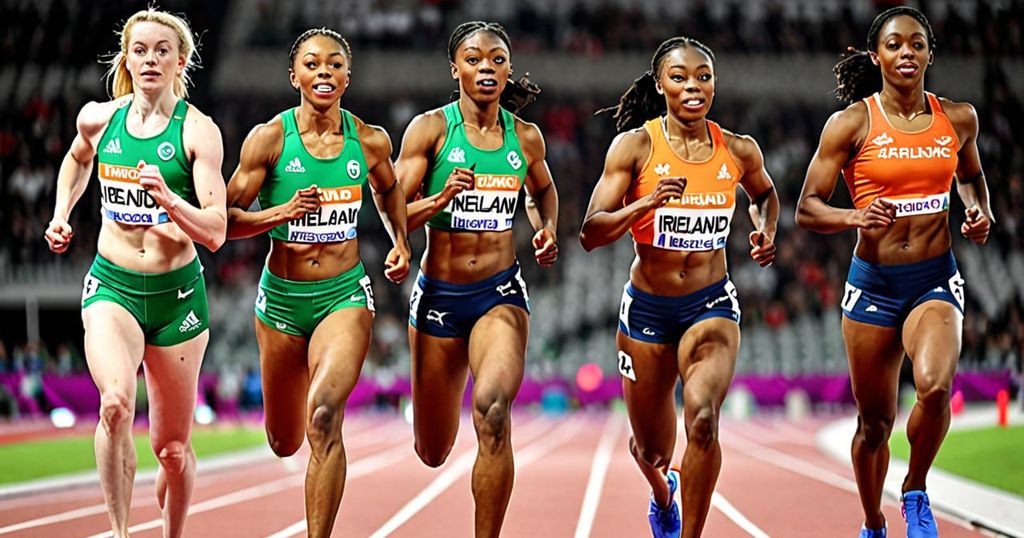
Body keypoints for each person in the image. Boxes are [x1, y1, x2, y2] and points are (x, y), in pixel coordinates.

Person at [795, 7, 993, 538]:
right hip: (873, 285)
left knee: (934, 386)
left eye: (917, 45)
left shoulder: (959, 118)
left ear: (930, 54)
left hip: (933, 277)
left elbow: (972, 177)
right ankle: (872, 521)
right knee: (874, 424)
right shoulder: (851, 123)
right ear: (877, 55)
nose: (907, 53)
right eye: (895, 45)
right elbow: (807, 207)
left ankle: (915, 490)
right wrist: (853, 215)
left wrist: (978, 210)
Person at [580, 37, 779, 538]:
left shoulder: (738, 149)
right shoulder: (635, 146)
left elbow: (766, 195)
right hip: (647, 309)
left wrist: (765, 228)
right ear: (660, 84)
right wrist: (642, 208)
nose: (693, 86)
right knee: (650, 450)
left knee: (705, 421)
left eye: (704, 77)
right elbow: (590, 231)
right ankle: (663, 492)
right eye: (680, 77)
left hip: (710, 303)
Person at [43, 8, 225, 538]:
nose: (150, 59)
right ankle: (120, 533)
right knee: (116, 405)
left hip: (178, 296)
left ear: (180, 60)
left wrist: (169, 199)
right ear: (127, 57)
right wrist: (61, 212)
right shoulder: (99, 119)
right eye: (140, 50)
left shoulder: (199, 133)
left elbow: (215, 230)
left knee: (171, 449)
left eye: (162, 50)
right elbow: (76, 161)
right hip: (113, 287)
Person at [225, 28, 410, 537]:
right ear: (294, 76)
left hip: (344, 295)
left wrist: (400, 240)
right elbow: (224, 219)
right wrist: (282, 212)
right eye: (312, 64)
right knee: (284, 441)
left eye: (334, 65)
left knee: (325, 416)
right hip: (281, 302)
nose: (323, 72)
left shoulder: (370, 141)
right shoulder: (268, 140)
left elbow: (390, 190)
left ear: (347, 76)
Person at [393, 21, 558, 538]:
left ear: (508, 70)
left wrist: (545, 226)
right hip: (438, 297)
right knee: (432, 450)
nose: (486, 68)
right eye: (474, 59)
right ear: (455, 68)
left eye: (496, 60)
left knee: (492, 410)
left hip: (499, 294)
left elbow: (543, 191)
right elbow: (390, 209)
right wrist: (439, 201)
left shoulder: (525, 136)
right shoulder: (430, 130)